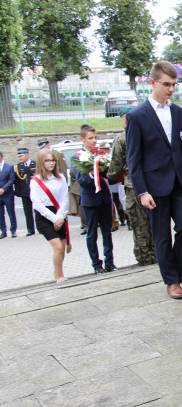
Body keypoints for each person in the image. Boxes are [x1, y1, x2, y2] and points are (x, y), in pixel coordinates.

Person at [127, 60, 182, 299]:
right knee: (161, 236)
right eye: (166, 84)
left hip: (179, 183)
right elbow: (133, 159)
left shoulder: (178, 113)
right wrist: (142, 191)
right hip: (154, 188)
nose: (170, 89)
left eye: (174, 85)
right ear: (153, 83)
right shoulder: (137, 116)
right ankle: (171, 280)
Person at [107, 111, 156, 266]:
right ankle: (160, 254)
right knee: (156, 223)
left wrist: (113, 175)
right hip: (155, 183)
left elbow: (115, 167)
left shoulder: (122, 138)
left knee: (139, 225)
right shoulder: (151, 133)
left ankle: (145, 259)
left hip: (133, 185)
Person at [73, 125, 117, 275]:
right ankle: (96, 265)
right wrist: (93, 173)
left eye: (95, 138)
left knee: (107, 232)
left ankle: (110, 262)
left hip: (104, 198)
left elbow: (108, 175)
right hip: (90, 200)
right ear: (82, 139)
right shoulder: (77, 156)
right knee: (92, 234)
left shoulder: (100, 155)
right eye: (90, 138)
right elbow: (81, 180)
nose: (94, 141)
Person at [30, 149, 71, 284]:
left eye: (53, 160)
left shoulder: (61, 177)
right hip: (45, 216)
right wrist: (54, 219)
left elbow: (65, 198)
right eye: (47, 160)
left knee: (62, 248)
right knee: (58, 246)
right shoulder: (35, 181)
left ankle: (58, 271)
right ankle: (59, 275)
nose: (51, 163)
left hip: (60, 212)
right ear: (41, 162)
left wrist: (60, 217)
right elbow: (37, 204)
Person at [14, 148, 37, 236]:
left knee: (38, 211)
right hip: (25, 193)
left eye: (21, 156)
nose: (20, 158)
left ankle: (41, 228)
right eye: (19, 156)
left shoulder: (35, 164)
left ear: (27, 155)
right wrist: (17, 192)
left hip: (35, 192)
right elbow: (17, 181)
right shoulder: (18, 166)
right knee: (27, 212)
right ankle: (30, 230)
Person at [0, 151, 17, 239]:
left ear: (1, 157)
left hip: (8, 194)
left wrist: (3, 189)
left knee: (11, 213)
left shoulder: (9, 167)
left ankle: (13, 231)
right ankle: (3, 231)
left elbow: (11, 180)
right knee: (0, 214)